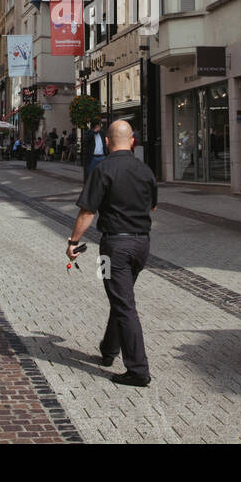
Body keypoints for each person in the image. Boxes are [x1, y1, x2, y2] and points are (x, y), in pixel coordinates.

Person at [67, 120, 157, 388]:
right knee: (121, 296)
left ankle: (138, 369)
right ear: (132, 141)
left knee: (123, 302)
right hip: (142, 246)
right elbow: (152, 207)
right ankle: (109, 349)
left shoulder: (102, 169)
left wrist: (73, 241)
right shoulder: (145, 170)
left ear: (107, 142)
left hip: (113, 248)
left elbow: (87, 211)